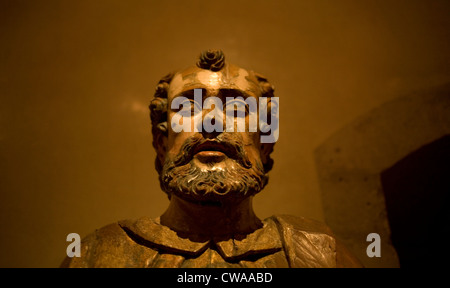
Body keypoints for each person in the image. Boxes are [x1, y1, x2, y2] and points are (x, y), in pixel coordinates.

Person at [61, 50, 362, 268]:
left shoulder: (320, 252)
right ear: (162, 143)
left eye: (237, 109)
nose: (212, 122)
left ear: (265, 144)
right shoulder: (96, 255)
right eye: (189, 108)